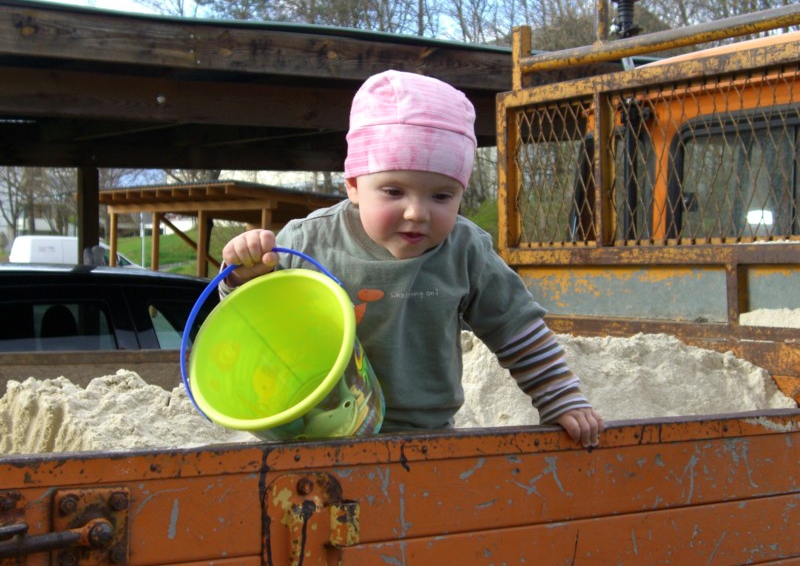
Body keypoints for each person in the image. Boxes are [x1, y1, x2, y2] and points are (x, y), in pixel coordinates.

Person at [219, 70, 604, 447]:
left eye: (442, 196)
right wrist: (245, 274)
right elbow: (249, 325)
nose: (417, 212)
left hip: (425, 435)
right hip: (313, 428)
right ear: (353, 185)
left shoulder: (465, 249)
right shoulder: (308, 240)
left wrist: (560, 398)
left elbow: (517, 328)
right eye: (393, 191)